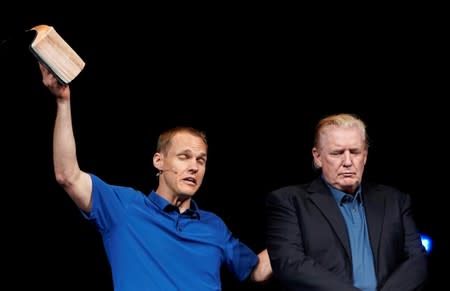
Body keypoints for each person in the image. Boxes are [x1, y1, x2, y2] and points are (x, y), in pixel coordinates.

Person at [38, 63, 272, 290]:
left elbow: (255, 271)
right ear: (158, 161)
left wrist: (303, 234)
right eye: (184, 156)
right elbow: (68, 175)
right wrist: (62, 101)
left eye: (201, 160)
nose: (194, 167)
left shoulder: (214, 227)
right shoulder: (125, 208)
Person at [265, 113, 427, 291]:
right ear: (317, 157)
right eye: (337, 153)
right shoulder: (289, 202)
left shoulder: (395, 201)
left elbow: (416, 261)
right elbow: (290, 265)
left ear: (364, 156)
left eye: (355, 152)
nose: (348, 162)